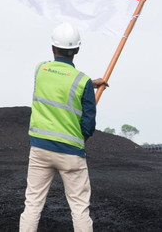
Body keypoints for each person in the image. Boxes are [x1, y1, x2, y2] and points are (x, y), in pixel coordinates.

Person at [19, 22, 108, 232]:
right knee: (79, 208)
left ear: (52, 47)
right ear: (77, 50)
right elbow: (88, 124)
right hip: (70, 153)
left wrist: (88, 84)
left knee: (32, 204)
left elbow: (57, 83)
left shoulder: (40, 69)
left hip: (40, 150)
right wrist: (89, 85)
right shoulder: (82, 82)